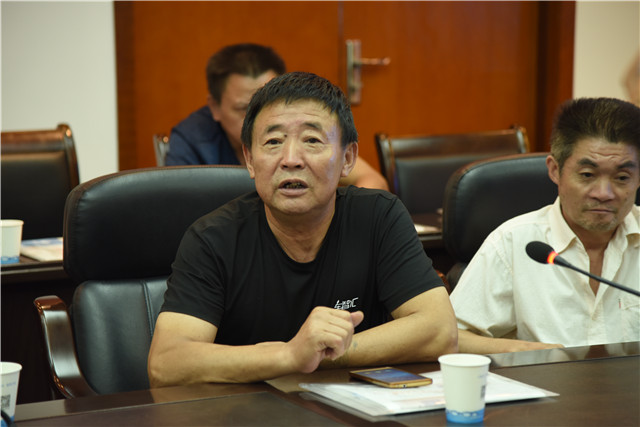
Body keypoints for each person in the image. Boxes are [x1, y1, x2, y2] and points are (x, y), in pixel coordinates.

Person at [148, 71, 457, 387]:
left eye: (312, 140)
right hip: (246, 408)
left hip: (354, 406)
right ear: (250, 160)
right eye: (273, 142)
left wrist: (322, 353)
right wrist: (290, 355)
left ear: (348, 158)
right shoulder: (212, 239)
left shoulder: (379, 216)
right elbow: (166, 363)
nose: (291, 159)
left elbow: (440, 331)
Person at [450, 97, 640, 354]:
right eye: (587, 175)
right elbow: (452, 337)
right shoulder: (512, 242)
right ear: (555, 170)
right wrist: (525, 352)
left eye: (622, 177)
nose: (604, 193)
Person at [165, 43, 389, 191]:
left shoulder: (302, 125)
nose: (256, 119)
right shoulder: (191, 139)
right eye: (243, 109)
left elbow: (373, 181)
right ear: (214, 106)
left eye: (267, 105)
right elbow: (179, 211)